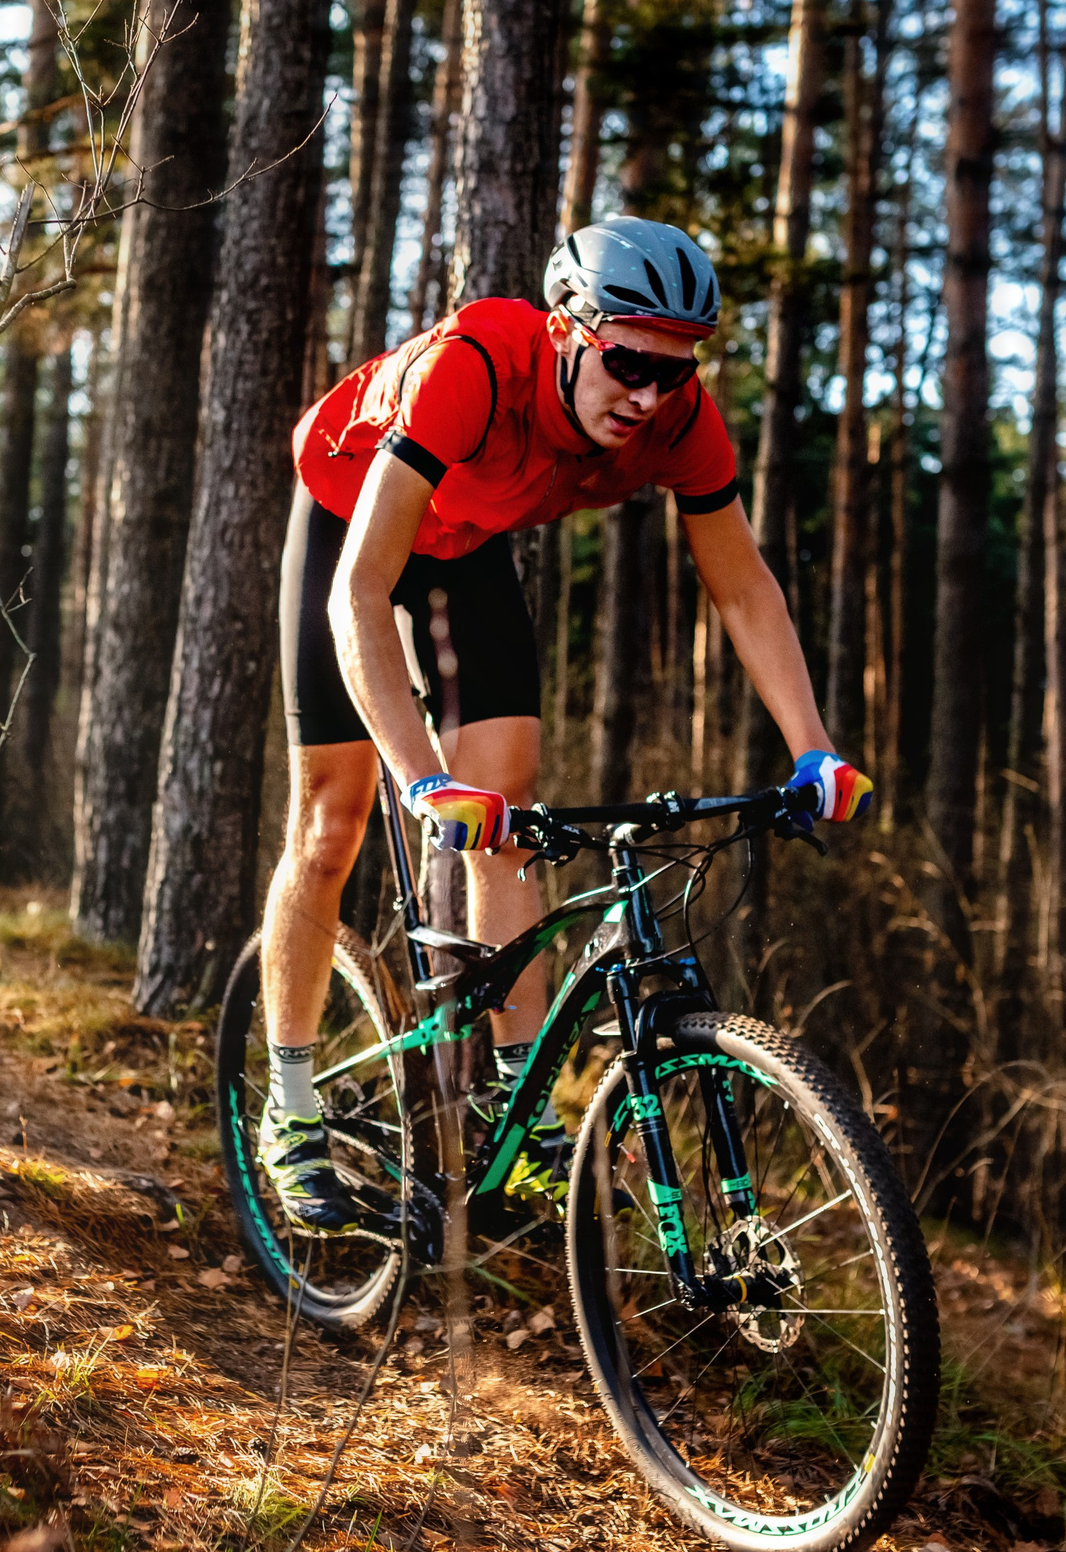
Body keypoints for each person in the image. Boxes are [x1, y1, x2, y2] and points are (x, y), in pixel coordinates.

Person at [257, 216, 875, 1233]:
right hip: (354, 516)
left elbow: (744, 588)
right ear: (563, 330)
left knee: (507, 813)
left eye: (674, 372)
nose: (647, 394)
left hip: (470, 540)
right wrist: (417, 779)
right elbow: (357, 594)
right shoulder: (468, 371)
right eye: (628, 361)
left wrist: (812, 745)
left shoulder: (678, 418)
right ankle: (289, 1104)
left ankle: (515, 1101)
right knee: (330, 824)